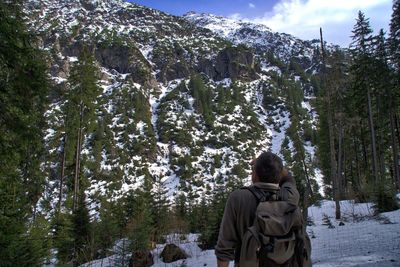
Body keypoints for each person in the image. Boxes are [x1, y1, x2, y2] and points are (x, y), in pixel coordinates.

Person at [215, 151, 302, 267]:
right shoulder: (290, 196)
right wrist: (272, 165)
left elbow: (224, 249)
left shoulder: (239, 198)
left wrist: (261, 163)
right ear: (279, 174)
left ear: (255, 174)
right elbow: (289, 179)